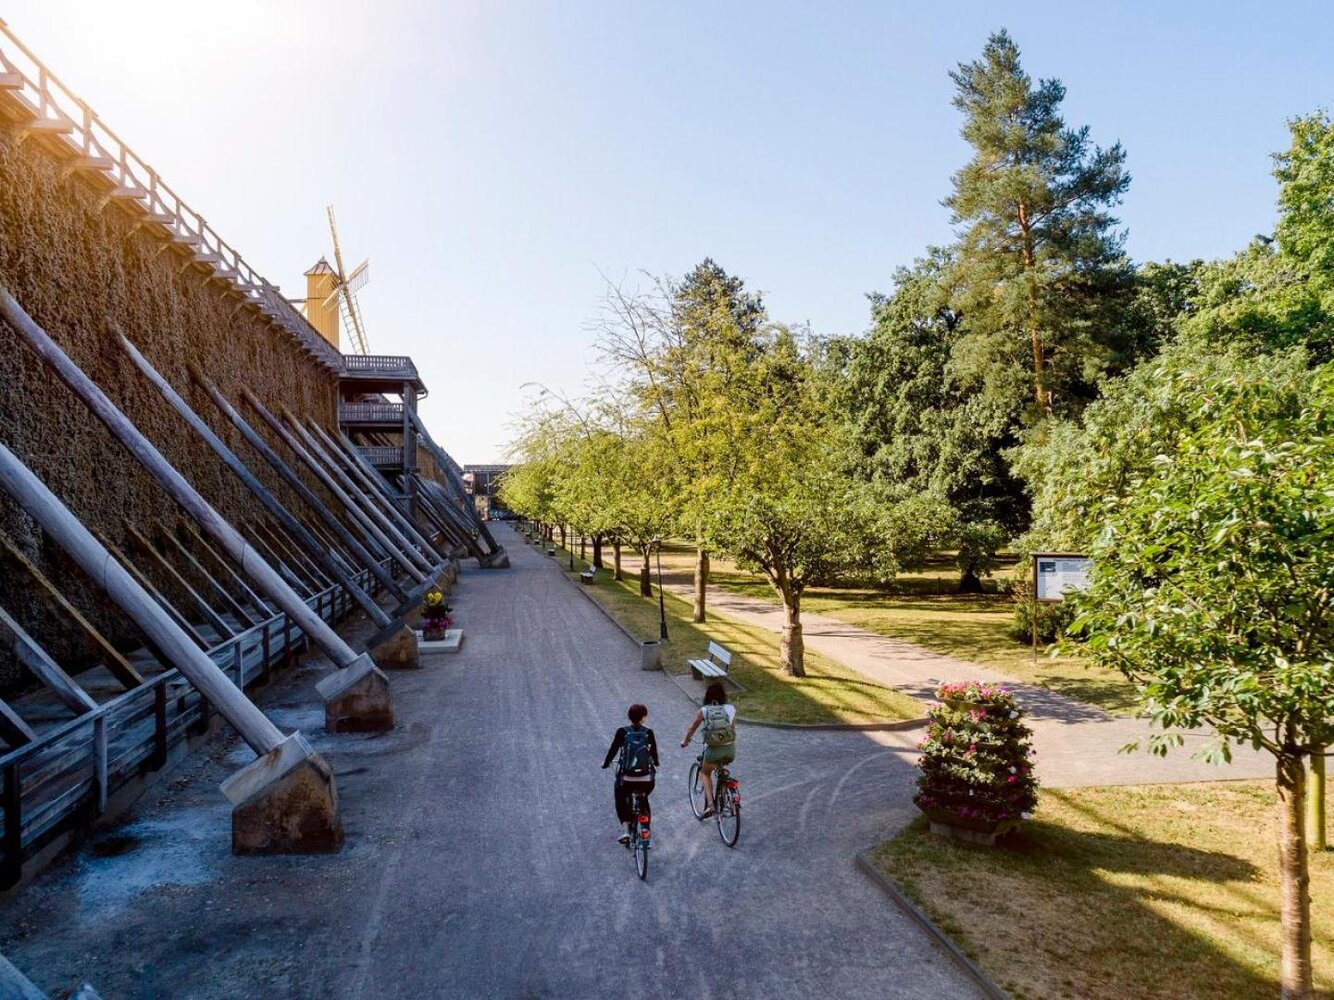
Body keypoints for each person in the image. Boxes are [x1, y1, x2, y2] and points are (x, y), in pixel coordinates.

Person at [601, 703, 659, 844]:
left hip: (627, 780)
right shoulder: (648, 732)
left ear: (629, 717)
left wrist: (606, 763)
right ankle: (645, 829)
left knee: (620, 795)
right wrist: (656, 763)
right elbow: (654, 755)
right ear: (643, 717)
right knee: (643, 797)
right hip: (646, 781)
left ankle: (626, 829)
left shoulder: (622, 732)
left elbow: (613, 750)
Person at [680, 682, 736, 818]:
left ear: (707, 696)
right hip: (730, 750)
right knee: (722, 771)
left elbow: (692, 728)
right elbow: (732, 729)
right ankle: (725, 802)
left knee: (705, 773)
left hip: (713, 751)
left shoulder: (704, 710)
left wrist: (685, 741)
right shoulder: (731, 709)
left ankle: (711, 805)